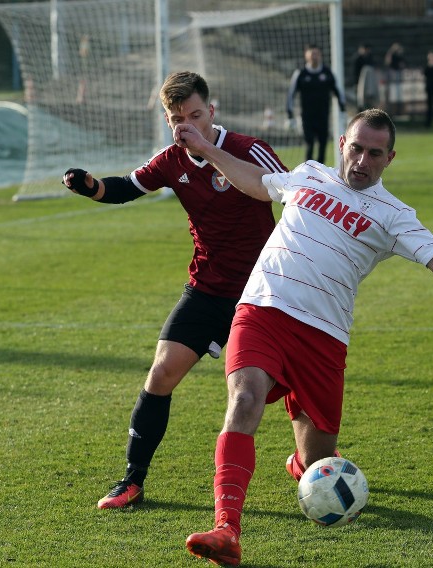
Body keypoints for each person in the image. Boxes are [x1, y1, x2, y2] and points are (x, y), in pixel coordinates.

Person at [174, 108, 433, 566]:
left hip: (324, 337)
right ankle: (227, 529)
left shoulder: (394, 215)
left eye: (375, 153)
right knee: (245, 399)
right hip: (264, 309)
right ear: (341, 144)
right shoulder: (308, 175)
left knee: (318, 462)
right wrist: (209, 150)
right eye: (356, 148)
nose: (362, 160)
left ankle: (302, 464)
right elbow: (258, 183)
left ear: (389, 159)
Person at [62, 71, 287, 510]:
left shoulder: (248, 149)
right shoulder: (171, 160)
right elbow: (126, 188)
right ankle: (132, 481)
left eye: (196, 115)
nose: (188, 125)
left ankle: (314, 457)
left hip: (265, 290)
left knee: (277, 387)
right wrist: (90, 186)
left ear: (211, 111)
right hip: (207, 289)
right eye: (177, 118)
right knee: (162, 372)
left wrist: (209, 150)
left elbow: (293, 194)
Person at [286, 44, 346, 165]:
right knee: (309, 144)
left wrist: (343, 110)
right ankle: (307, 173)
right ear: (306, 55)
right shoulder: (300, 73)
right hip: (306, 117)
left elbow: (338, 92)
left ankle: (320, 175)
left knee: (323, 144)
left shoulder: (327, 73)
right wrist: (290, 114)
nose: (314, 56)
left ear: (320, 56)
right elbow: (291, 95)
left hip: (323, 116)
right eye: (312, 53)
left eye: (317, 54)